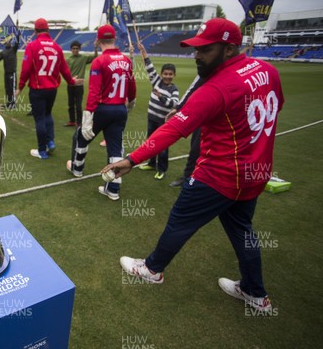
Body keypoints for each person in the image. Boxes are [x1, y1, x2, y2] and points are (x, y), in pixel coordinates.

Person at [103, 18, 284, 312]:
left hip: (219, 175)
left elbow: (174, 128)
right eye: (196, 49)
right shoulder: (268, 70)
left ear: (229, 49)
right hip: (255, 174)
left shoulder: (217, 88)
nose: (197, 56)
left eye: (205, 49)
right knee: (242, 230)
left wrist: (132, 159)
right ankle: (255, 292)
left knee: (180, 219)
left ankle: (152, 269)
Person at [66, 25, 136, 201]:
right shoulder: (126, 60)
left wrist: (88, 115)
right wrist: (131, 102)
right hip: (120, 109)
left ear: (98, 40)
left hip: (103, 109)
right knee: (115, 150)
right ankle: (113, 189)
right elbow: (132, 86)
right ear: (114, 39)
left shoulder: (99, 61)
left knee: (82, 137)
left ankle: (77, 168)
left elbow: (94, 92)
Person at [16, 17, 78, 159]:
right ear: (48, 30)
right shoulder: (57, 47)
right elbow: (65, 70)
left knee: (39, 119)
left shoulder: (32, 46)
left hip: (37, 89)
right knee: (48, 114)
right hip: (52, 88)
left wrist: (20, 86)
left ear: (35, 30)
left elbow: (25, 69)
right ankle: (50, 142)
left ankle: (42, 150)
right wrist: (71, 82)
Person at [136, 41, 179, 180]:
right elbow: (149, 67)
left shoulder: (174, 89)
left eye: (170, 74)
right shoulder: (156, 81)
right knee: (151, 142)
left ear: (174, 75)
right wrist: (143, 50)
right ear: (161, 74)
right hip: (152, 118)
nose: (167, 76)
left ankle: (162, 169)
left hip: (163, 122)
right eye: (165, 73)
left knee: (163, 146)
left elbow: (172, 104)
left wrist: (160, 96)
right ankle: (151, 163)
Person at [167, 76, 205, 188]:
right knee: (195, 149)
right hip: (204, 116)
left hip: (227, 119)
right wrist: (178, 108)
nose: (198, 57)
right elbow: (193, 88)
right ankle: (188, 177)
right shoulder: (207, 69)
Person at [65, 41, 98, 126]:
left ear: (79, 49)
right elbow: (65, 72)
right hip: (70, 85)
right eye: (73, 49)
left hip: (79, 86)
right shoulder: (68, 60)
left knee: (78, 105)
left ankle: (79, 122)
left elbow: (95, 57)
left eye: (77, 48)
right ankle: (72, 120)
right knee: (70, 104)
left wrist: (95, 48)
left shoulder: (83, 58)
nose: (75, 50)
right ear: (71, 49)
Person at [0, 31, 21, 110]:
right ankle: (9, 103)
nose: (8, 43)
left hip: (12, 73)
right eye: (7, 41)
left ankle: (13, 104)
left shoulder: (13, 49)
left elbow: (17, 43)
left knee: (12, 88)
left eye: (9, 41)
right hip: (6, 73)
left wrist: (18, 35)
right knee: (7, 88)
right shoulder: (3, 52)